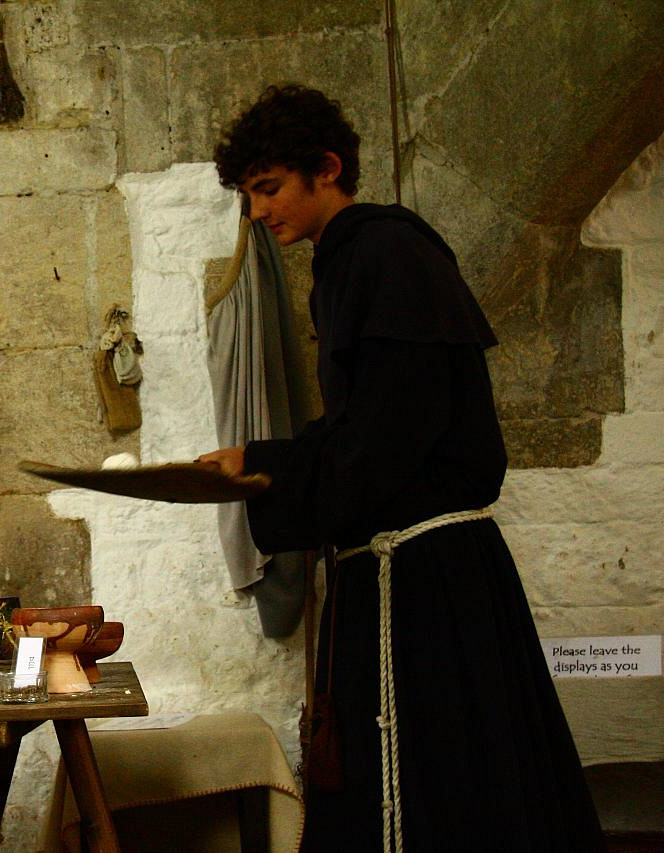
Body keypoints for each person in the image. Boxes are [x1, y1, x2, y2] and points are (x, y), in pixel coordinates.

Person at [200, 85, 604, 852]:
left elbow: (387, 440)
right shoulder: (348, 262)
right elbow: (365, 425)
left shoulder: (385, 251)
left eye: (269, 188)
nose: (256, 212)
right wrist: (259, 461)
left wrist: (273, 469)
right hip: (407, 572)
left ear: (328, 168)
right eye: (249, 195)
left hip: (425, 579)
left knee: (445, 787)